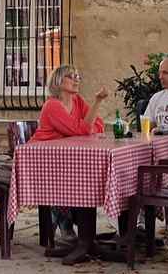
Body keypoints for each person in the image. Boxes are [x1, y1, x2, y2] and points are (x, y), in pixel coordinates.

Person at [33, 64, 112, 263]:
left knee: (86, 177)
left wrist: (88, 122)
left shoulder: (76, 101)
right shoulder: (52, 105)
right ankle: (75, 234)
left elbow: (98, 124)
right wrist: (97, 102)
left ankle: (85, 239)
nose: (77, 79)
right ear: (59, 82)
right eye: (71, 76)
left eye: (78, 76)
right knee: (78, 179)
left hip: (68, 157)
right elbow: (82, 130)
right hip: (44, 160)